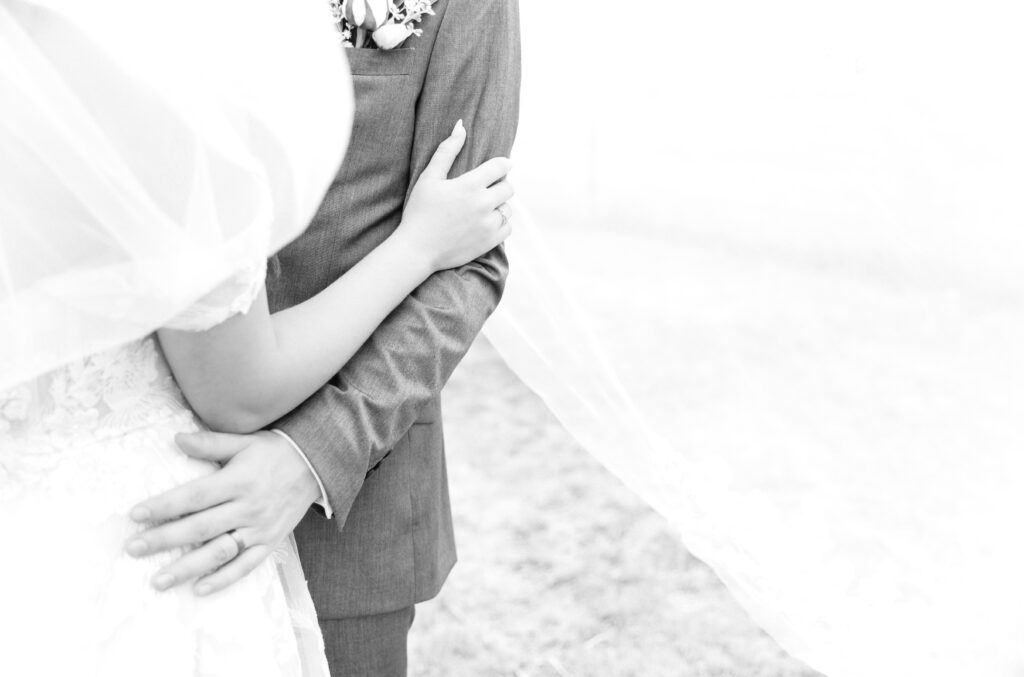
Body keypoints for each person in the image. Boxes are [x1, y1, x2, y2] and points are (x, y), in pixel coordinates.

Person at [0, 1, 512, 675]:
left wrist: (311, 455)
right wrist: (417, 245)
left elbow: (472, 243)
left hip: (342, 525)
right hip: (149, 520)